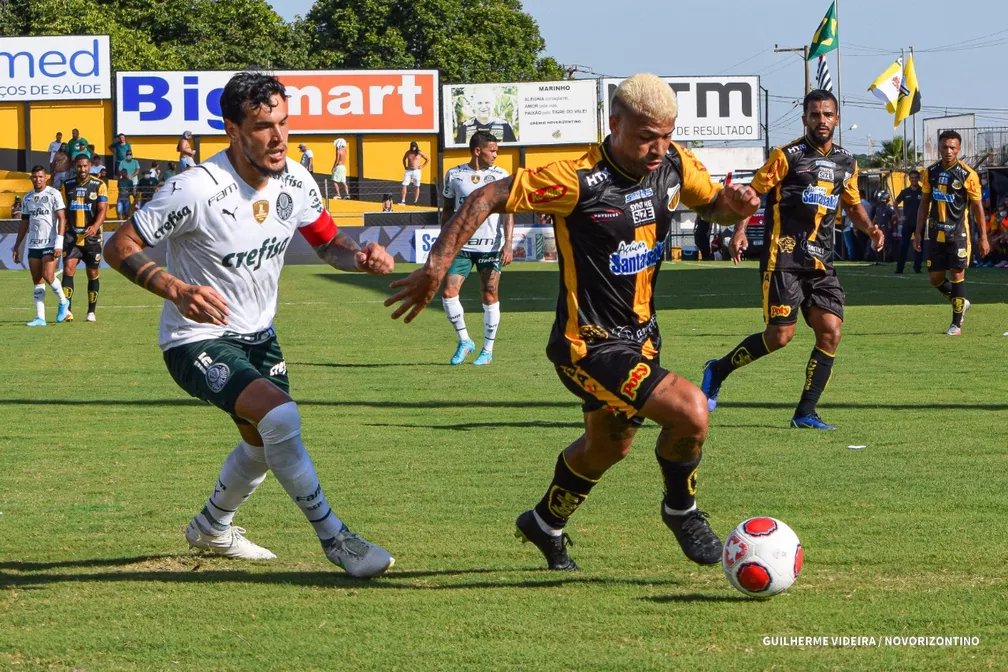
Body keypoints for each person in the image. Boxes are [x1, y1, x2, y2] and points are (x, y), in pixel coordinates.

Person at [387, 73, 759, 571]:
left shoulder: (675, 164)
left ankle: (543, 523)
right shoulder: (577, 179)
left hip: (642, 339)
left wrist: (728, 209)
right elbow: (487, 197)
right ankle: (681, 509)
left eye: (667, 135)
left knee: (608, 447)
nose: (659, 147)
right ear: (615, 123)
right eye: (647, 136)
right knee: (691, 410)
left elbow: (709, 203)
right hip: (588, 345)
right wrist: (437, 265)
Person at [104, 71, 396, 578]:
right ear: (232, 131)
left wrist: (360, 256)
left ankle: (211, 527)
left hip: (259, 336)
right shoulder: (195, 188)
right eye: (263, 126)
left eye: (284, 123)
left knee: (263, 444)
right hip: (196, 339)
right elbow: (118, 246)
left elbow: (329, 245)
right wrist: (175, 288)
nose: (279, 137)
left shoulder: (298, 181)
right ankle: (337, 539)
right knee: (281, 418)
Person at [699, 89, 885, 431]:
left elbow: (854, 205)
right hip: (783, 259)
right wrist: (740, 231)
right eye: (815, 115)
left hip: (821, 263)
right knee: (779, 336)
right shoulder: (787, 156)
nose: (822, 121)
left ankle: (805, 412)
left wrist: (871, 229)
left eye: (827, 114)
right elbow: (753, 194)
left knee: (830, 332)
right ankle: (718, 369)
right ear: (805, 119)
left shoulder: (847, 162)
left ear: (837, 119)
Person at [440, 131, 514, 366]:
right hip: (460, 246)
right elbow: (447, 211)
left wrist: (509, 244)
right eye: (492, 150)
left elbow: (508, 211)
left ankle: (488, 350)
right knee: (448, 293)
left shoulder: (501, 176)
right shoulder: (454, 174)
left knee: (489, 294)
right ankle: (464, 340)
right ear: (477, 151)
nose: (496, 154)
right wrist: (444, 240)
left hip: (491, 246)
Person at [914, 130, 990, 336]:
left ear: (958, 149)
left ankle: (956, 323)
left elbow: (977, 207)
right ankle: (960, 301)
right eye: (945, 147)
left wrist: (983, 236)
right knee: (935, 278)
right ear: (939, 148)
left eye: (952, 147)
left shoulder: (968, 174)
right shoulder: (930, 172)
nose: (948, 151)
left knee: (957, 274)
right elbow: (924, 203)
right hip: (936, 233)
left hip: (958, 234)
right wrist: (918, 232)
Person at [12, 166, 71, 326]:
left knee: (48, 275)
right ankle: (40, 318)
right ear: (31, 178)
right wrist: (17, 245)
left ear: (46, 178)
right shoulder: (28, 198)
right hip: (34, 244)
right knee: (37, 280)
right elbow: (24, 223)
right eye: (34, 177)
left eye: (40, 177)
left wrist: (59, 242)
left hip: (50, 242)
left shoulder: (54, 194)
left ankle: (64, 303)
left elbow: (62, 218)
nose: (37, 179)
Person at [60, 153, 108, 323]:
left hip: (92, 239)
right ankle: (67, 311)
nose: (82, 169)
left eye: (85, 166)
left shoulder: (99, 185)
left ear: (89, 166)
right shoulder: (67, 185)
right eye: (79, 166)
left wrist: (95, 227)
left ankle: (91, 311)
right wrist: (61, 233)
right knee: (68, 269)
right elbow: (63, 212)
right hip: (72, 237)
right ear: (75, 166)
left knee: (93, 273)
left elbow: (103, 210)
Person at [894, 170, 924, 273]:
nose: (914, 179)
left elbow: (929, 204)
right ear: (909, 179)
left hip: (919, 224)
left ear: (918, 179)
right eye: (912, 178)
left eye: (916, 177)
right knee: (903, 246)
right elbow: (895, 204)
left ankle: (917, 268)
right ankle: (899, 269)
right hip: (907, 224)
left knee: (919, 246)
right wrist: (899, 217)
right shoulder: (905, 192)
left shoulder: (923, 191)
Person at [400, 141, 428, 205]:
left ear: (416, 146)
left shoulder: (419, 152)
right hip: (409, 170)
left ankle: (415, 201)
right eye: (412, 146)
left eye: (414, 146)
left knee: (417, 185)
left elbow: (427, 159)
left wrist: (422, 166)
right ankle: (403, 200)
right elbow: (404, 159)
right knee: (404, 184)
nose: (413, 148)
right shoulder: (408, 152)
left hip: (417, 171)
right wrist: (405, 166)